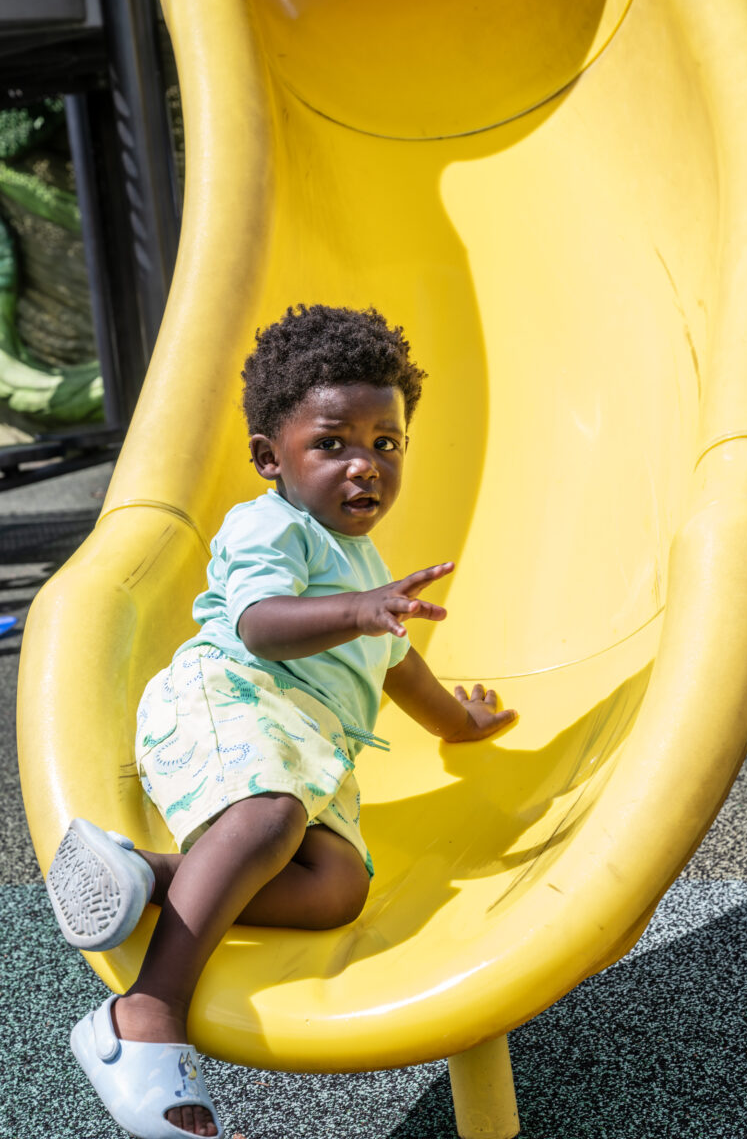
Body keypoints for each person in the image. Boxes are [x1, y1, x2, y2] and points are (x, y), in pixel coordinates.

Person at [45, 304, 517, 1139]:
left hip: (308, 752)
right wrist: (364, 608)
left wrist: (459, 724)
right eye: (331, 443)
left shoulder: (365, 571)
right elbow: (261, 622)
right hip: (232, 701)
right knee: (270, 816)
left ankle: (147, 877)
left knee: (338, 889)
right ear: (272, 457)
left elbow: (399, 666)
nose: (364, 464)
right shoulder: (271, 526)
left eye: (386, 442)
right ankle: (144, 1015)